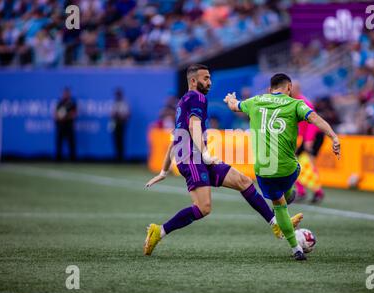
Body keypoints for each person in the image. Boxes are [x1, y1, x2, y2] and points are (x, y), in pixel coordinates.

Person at [144, 64, 303, 260]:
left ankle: (275, 225)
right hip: (193, 158)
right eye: (205, 78)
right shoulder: (197, 98)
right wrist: (205, 154)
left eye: (210, 78)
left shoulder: (183, 101)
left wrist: (164, 171)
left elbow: (175, 137)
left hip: (195, 157)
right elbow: (193, 127)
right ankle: (158, 231)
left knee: (243, 181)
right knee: (204, 208)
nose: (209, 82)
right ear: (193, 81)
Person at [223, 73, 341, 260]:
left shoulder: (255, 101)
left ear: (270, 89)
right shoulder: (296, 104)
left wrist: (230, 99)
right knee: (295, 170)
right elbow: (316, 119)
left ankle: (296, 249)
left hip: (264, 170)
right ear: (289, 88)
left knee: (279, 206)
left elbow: (234, 106)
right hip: (288, 169)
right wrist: (334, 137)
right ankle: (289, 191)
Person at [54, 87, 77, 162]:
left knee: (71, 142)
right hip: (61, 125)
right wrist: (59, 117)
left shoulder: (72, 103)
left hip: (69, 125)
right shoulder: (60, 103)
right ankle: (58, 158)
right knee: (59, 142)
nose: (65, 95)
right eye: (64, 94)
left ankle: (72, 158)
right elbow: (55, 114)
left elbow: (74, 114)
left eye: (67, 94)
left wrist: (66, 116)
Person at [110, 88, 130, 162]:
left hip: (121, 123)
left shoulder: (124, 103)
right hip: (115, 123)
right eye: (116, 94)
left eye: (118, 94)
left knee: (121, 140)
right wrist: (114, 114)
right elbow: (111, 114)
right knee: (115, 140)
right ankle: (116, 156)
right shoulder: (114, 103)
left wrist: (120, 115)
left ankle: (121, 157)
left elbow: (127, 114)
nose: (117, 96)